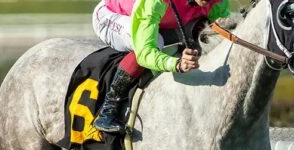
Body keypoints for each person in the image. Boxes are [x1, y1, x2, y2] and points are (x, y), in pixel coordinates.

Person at [91, 0, 231, 133]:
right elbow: (145, 53)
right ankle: (108, 109)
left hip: (163, 20)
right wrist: (177, 64)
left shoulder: (219, 2)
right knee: (156, 41)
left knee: (203, 26)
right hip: (110, 16)